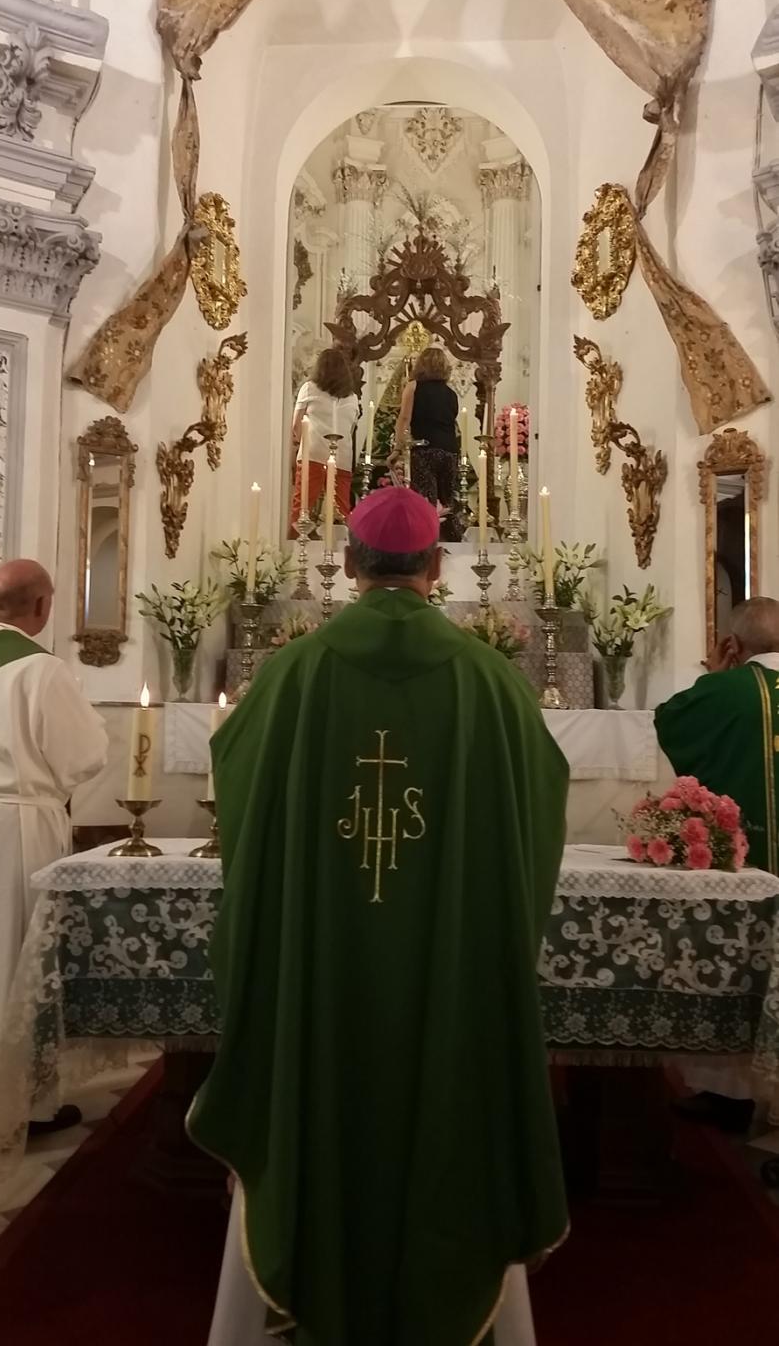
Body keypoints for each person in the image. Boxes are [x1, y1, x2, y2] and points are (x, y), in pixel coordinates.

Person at [189, 487, 570, 1346]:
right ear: (438, 565)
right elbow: (535, 817)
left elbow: (240, 804)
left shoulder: (292, 673)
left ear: (352, 566)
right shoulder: (490, 683)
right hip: (450, 978)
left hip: (317, 976)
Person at [655, 595, 779, 1133]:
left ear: (735, 644)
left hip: (748, 871)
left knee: (736, 967)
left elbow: (670, 722)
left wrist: (717, 673)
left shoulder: (725, 690)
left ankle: (730, 1096)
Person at [0, 559, 108, 1132]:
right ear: (41, 606)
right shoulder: (41, 670)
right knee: (17, 957)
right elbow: (83, 755)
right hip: (18, 825)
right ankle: (24, 1103)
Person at [391, 345, 462, 535]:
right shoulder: (451, 394)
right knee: (448, 503)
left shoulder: (413, 386)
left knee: (425, 503)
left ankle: (425, 543)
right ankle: (452, 543)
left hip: (424, 450)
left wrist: (397, 449)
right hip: (449, 451)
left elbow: (404, 419)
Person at [290, 347, 359, 533]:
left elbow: (296, 425)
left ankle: (297, 550)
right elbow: (351, 427)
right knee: (342, 511)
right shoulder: (352, 397)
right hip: (342, 457)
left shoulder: (309, 388)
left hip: (312, 453)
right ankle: (341, 553)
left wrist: (296, 446)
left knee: (302, 508)